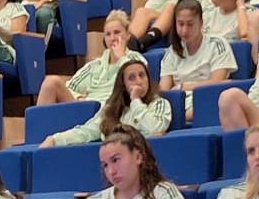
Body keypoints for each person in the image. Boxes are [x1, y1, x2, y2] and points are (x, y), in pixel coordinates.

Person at [41, 55, 171, 148]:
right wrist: (55, 140)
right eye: (131, 78)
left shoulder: (159, 103)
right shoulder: (111, 109)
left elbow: (154, 128)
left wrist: (136, 101)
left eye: (142, 75)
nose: (139, 81)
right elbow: (87, 132)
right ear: (123, 85)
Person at [36, 9, 142, 107]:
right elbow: (70, 86)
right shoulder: (95, 65)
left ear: (128, 35)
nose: (112, 38)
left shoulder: (136, 60)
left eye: (117, 32)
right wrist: (80, 98)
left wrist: (121, 58)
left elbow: (138, 88)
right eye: (108, 34)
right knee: (51, 83)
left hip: (114, 110)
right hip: (89, 109)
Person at [158, 0, 237, 120]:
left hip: (208, 99)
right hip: (179, 104)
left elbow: (217, 82)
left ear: (201, 22)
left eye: (190, 24)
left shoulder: (217, 44)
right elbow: (164, 90)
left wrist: (182, 87)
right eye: (180, 24)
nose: (184, 30)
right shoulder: (171, 52)